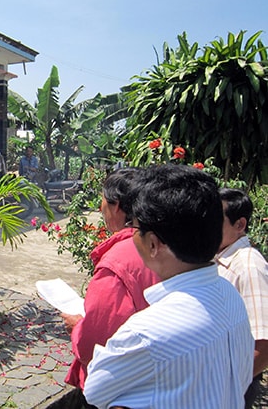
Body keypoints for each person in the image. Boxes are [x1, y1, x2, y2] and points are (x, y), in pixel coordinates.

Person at [84, 164, 254, 409]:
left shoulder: (146, 333)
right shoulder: (230, 295)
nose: (132, 234)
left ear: (153, 244)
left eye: (135, 227)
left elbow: (95, 391)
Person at [61, 167, 159, 408]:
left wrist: (77, 328)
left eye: (102, 200)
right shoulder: (162, 246)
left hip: (119, 391)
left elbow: (93, 345)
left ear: (116, 206)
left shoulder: (118, 262)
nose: (99, 208)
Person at [215, 188, 268, 408]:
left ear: (240, 225)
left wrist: (230, 384)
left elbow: (263, 343)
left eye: (216, 220)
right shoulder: (223, 260)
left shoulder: (247, 265)